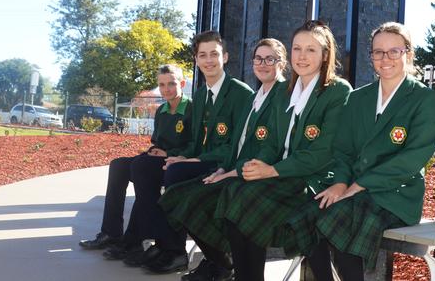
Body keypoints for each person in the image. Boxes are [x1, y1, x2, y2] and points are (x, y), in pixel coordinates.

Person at [307, 22, 435, 280]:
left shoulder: (424, 100)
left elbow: (412, 160)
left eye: (394, 51)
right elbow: (343, 151)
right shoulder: (358, 98)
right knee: (311, 212)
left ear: (408, 54)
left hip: (396, 195)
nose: (385, 58)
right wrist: (339, 183)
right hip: (354, 190)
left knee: (344, 219)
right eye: (378, 52)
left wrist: (360, 184)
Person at [216, 20, 352, 281]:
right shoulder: (286, 91)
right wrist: (256, 165)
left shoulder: (337, 91)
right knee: (234, 190)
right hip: (284, 175)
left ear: (325, 55)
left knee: (247, 200)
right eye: (297, 49)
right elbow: (273, 144)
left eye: (311, 50)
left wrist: (272, 170)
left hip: (315, 179)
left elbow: (323, 153)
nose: (302, 56)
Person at [160, 38, 288, 281]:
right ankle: (222, 264)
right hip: (235, 170)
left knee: (217, 201)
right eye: (258, 59)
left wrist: (233, 172)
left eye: (270, 59)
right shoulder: (257, 95)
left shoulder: (282, 94)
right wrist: (222, 169)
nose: (263, 64)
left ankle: (234, 270)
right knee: (181, 200)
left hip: (259, 176)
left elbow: (269, 146)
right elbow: (238, 144)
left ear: (282, 63)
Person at [139, 30, 254, 274]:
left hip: (225, 163)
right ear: (196, 60)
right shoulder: (200, 95)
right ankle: (171, 247)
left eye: (214, 54)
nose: (209, 60)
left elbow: (236, 145)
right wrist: (181, 156)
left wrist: (194, 159)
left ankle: (218, 260)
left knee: (175, 176)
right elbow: (195, 140)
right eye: (203, 55)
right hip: (202, 160)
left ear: (225, 57)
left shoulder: (241, 93)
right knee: (154, 167)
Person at [79, 64, 192, 258]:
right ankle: (111, 233)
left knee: (142, 169)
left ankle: (135, 239)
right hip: (157, 160)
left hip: (177, 162)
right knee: (118, 166)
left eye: (171, 84)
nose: (166, 89)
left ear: (181, 83)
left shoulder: (191, 109)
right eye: (162, 85)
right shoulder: (162, 111)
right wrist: (155, 150)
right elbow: (157, 141)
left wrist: (168, 153)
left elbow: (195, 144)